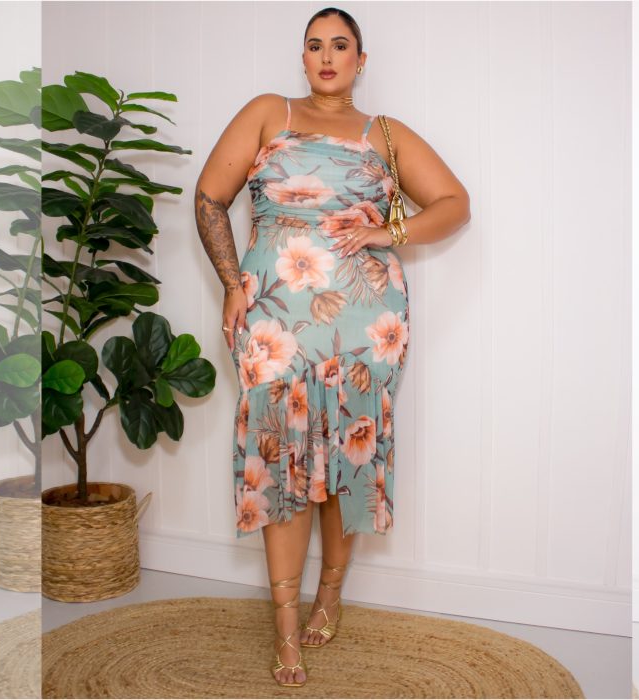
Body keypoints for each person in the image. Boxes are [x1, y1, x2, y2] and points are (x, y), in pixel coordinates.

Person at [194, 6, 470, 688]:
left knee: (345, 453)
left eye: (340, 45)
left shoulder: (385, 134)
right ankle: (285, 626)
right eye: (314, 45)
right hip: (273, 320)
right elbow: (208, 198)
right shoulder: (269, 112)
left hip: (366, 321)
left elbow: (454, 203)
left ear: (360, 60)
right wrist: (230, 284)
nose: (326, 56)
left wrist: (387, 234)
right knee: (279, 458)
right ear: (303, 58)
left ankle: (331, 593)